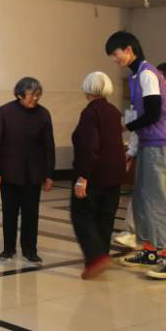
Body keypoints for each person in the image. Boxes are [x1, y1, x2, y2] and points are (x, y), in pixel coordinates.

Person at [106, 31, 166, 279]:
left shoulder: (148, 73)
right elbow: (142, 116)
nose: (115, 59)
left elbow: (153, 114)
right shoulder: (136, 77)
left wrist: (125, 127)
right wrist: (132, 149)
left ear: (128, 49)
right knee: (141, 199)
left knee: (156, 200)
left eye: (115, 54)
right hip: (148, 144)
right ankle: (149, 251)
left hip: (161, 144)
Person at [113, 62, 166, 254]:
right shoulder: (148, 103)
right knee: (142, 198)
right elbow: (138, 129)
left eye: (162, 77)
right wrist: (131, 152)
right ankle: (133, 232)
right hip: (152, 159)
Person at [0, 77, 55, 266]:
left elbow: (49, 146)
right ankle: (8, 249)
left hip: (34, 174)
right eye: (32, 95)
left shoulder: (43, 114)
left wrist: (49, 174)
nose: (35, 99)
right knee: (9, 213)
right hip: (9, 173)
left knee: (31, 214)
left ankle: (30, 250)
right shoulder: (5, 112)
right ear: (19, 95)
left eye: (38, 95)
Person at [70, 72, 126, 279]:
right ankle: (102, 254)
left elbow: (89, 147)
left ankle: (95, 258)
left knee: (81, 214)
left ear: (88, 89)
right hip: (115, 174)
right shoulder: (114, 111)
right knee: (105, 216)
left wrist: (82, 177)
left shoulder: (90, 113)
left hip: (95, 174)